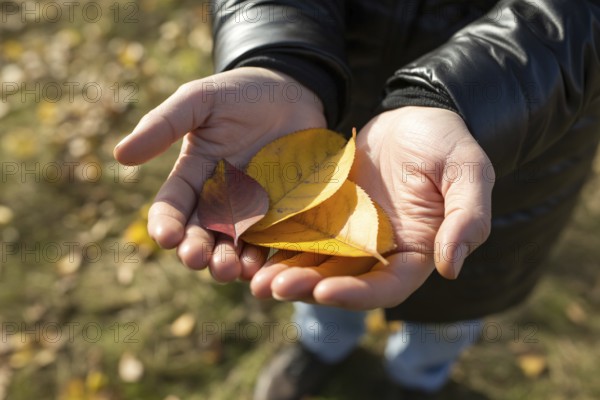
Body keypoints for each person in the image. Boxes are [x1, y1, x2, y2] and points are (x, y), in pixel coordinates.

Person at [114, 0, 600, 398]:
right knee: (318, 283)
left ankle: (418, 380)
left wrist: (461, 99)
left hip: (522, 138)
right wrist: (278, 52)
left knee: (454, 303)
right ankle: (323, 349)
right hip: (331, 104)